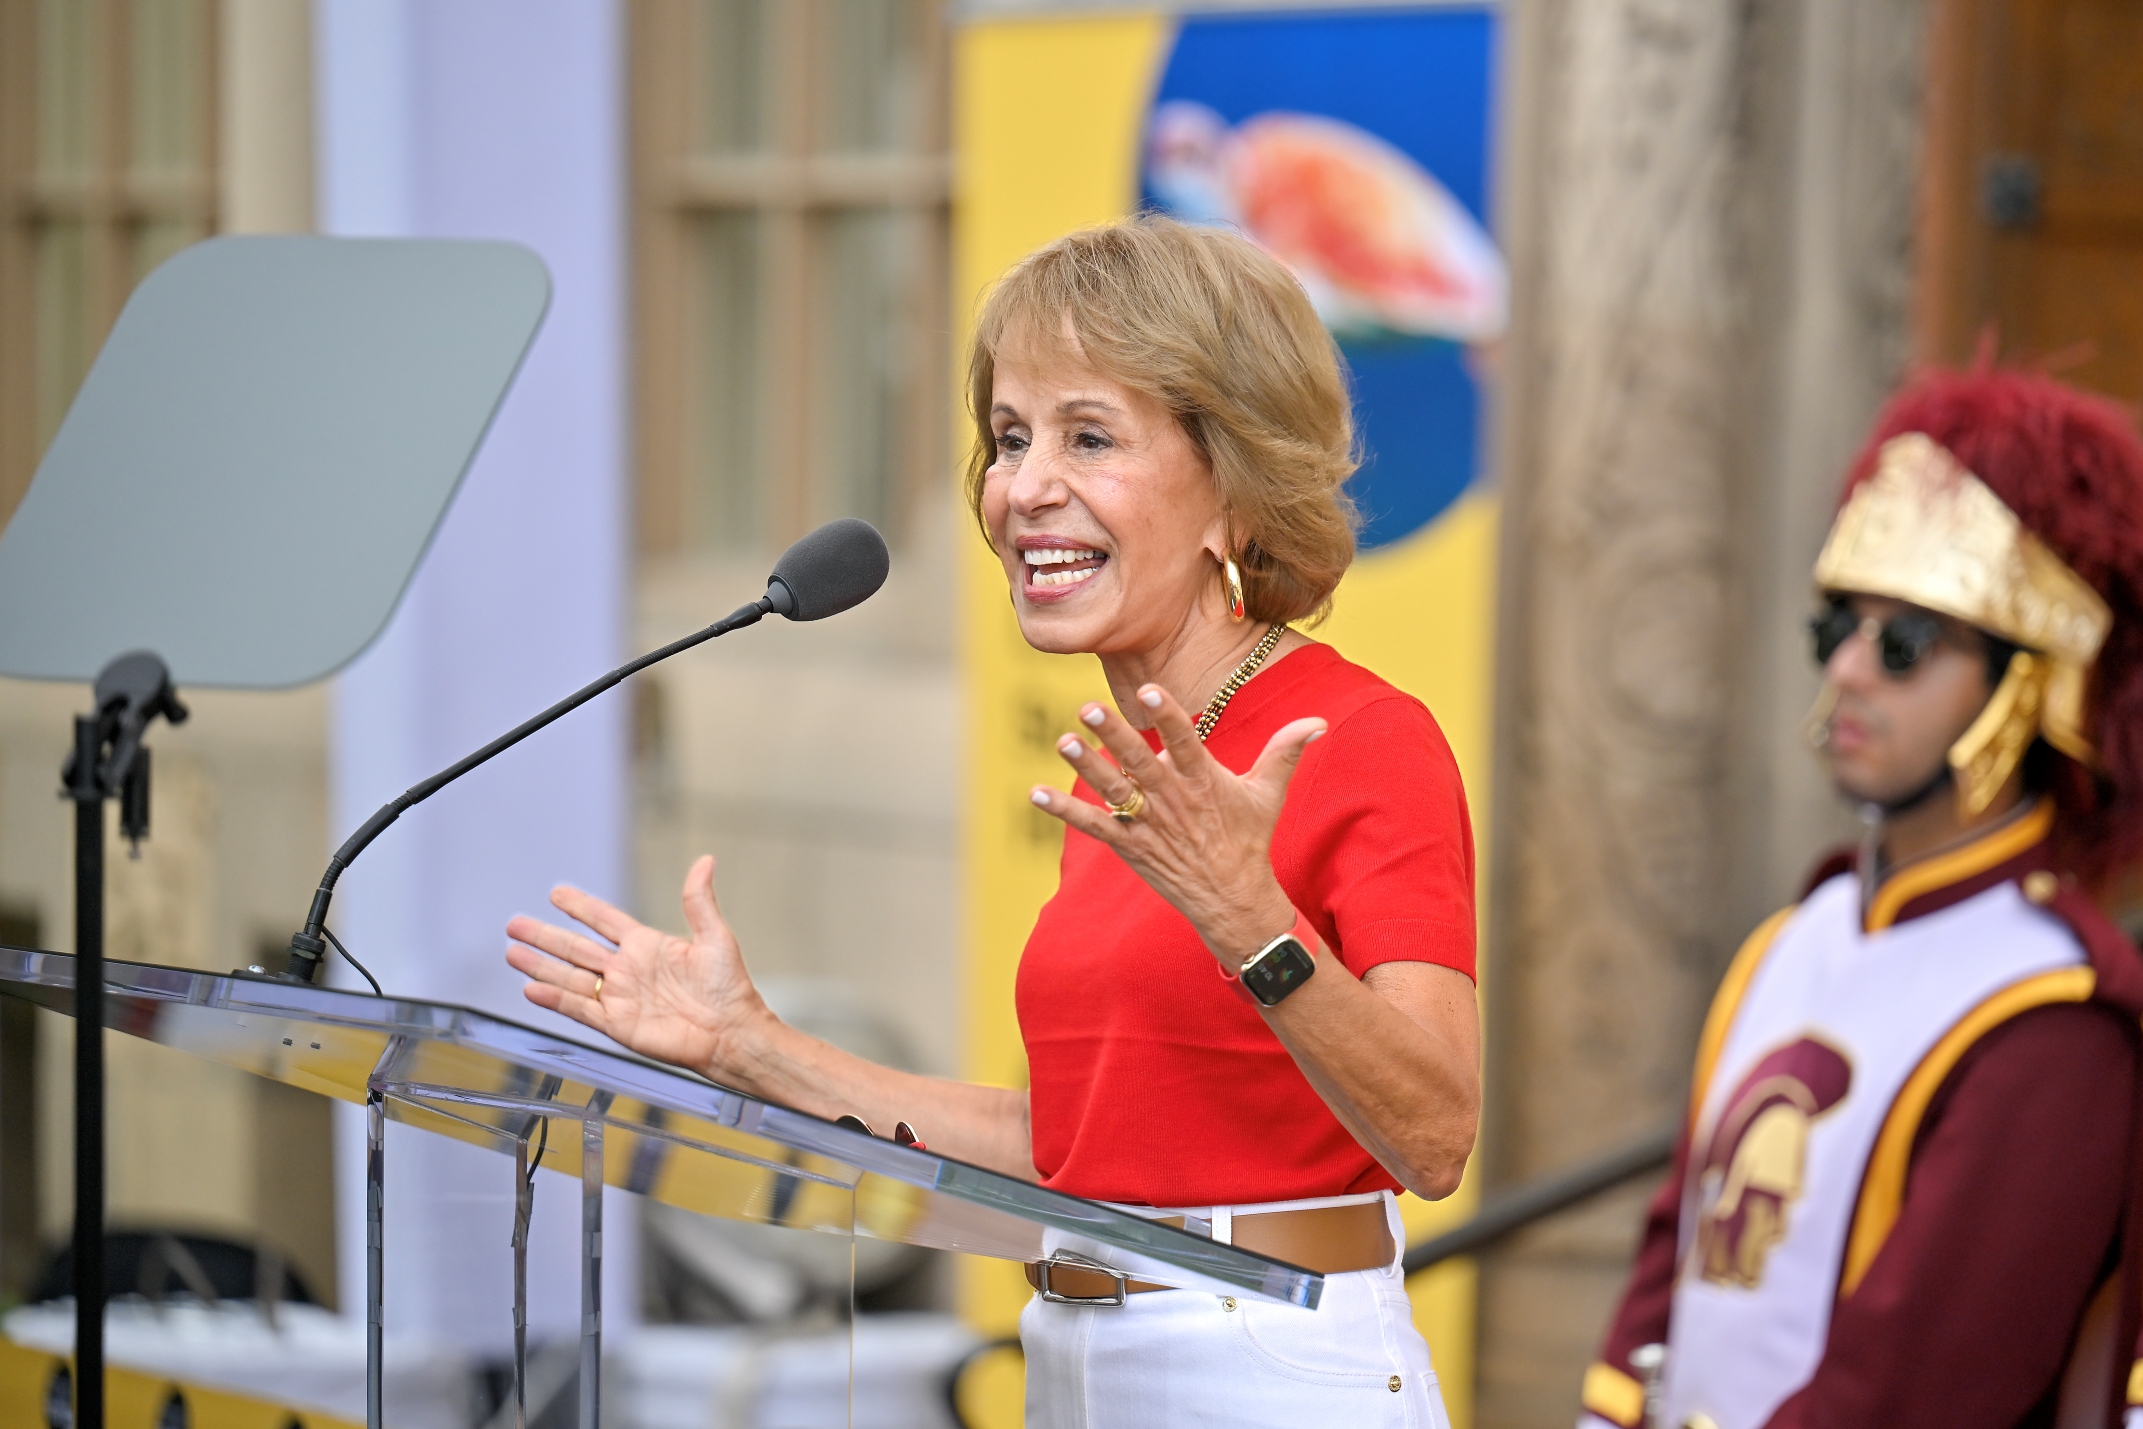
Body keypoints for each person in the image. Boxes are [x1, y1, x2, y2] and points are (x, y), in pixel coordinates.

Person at [505, 216, 1482, 1427]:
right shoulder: (1130, 777)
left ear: (1231, 485)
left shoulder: (1355, 739)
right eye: (1009, 439)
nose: (1024, 487)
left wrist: (1250, 921)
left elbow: (1435, 1134)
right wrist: (747, 1044)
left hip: (1268, 1365)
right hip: (1072, 1357)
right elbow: (1061, 1153)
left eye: (1087, 436)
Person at [1579, 367, 2143, 1429]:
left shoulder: (2057, 1012)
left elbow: (1917, 1387)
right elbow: (1674, 1251)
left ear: (2028, 684)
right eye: (1836, 625)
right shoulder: (1795, 937)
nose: (1844, 668)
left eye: (1905, 643)